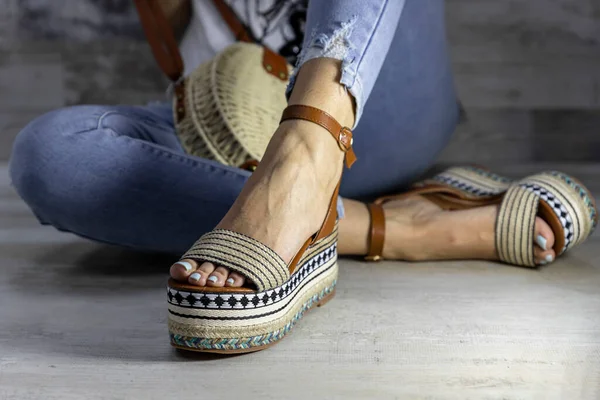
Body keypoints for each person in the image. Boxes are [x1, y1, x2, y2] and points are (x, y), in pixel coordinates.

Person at [10, 0, 560, 290]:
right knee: (51, 154)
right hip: (235, 125)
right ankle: (392, 226)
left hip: (377, 98)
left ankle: (308, 154)